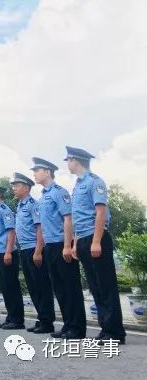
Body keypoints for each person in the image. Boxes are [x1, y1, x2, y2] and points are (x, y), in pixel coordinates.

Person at [66, 146, 126, 344]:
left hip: (95, 237)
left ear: (76, 161)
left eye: (69, 160)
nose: (67, 163)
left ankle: (115, 333)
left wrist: (97, 241)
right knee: (95, 286)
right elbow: (77, 217)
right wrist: (75, 243)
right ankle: (105, 328)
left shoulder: (94, 182)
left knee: (105, 285)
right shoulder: (77, 185)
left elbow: (100, 212)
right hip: (83, 239)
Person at [31, 156, 86, 340]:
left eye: (37, 170)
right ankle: (68, 325)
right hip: (50, 247)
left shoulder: (58, 192)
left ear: (48, 171)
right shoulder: (43, 196)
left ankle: (77, 328)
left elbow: (68, 219)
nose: (35, 174)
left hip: (62, 245)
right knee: (60, 288)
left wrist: (67, 245)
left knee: (70, 287)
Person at [11, 172, 55, 334]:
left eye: (17, 186)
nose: (14, 189)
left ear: (26, 188)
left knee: (41, 286)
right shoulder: (20, 205)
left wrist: (38, 250)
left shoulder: (32, 204)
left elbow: (39, 228)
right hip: (24, 249)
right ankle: (41, 318)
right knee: (32, 287)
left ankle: (47, 322)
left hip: (34, 249)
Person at [0, 181, 25, 330]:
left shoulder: (4, 210)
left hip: (8, 253)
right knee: (6, 287)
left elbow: (11, 232)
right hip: (0, 253)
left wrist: (8, 251)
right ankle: (11, 317)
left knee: (11, 286)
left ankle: (17, 320)